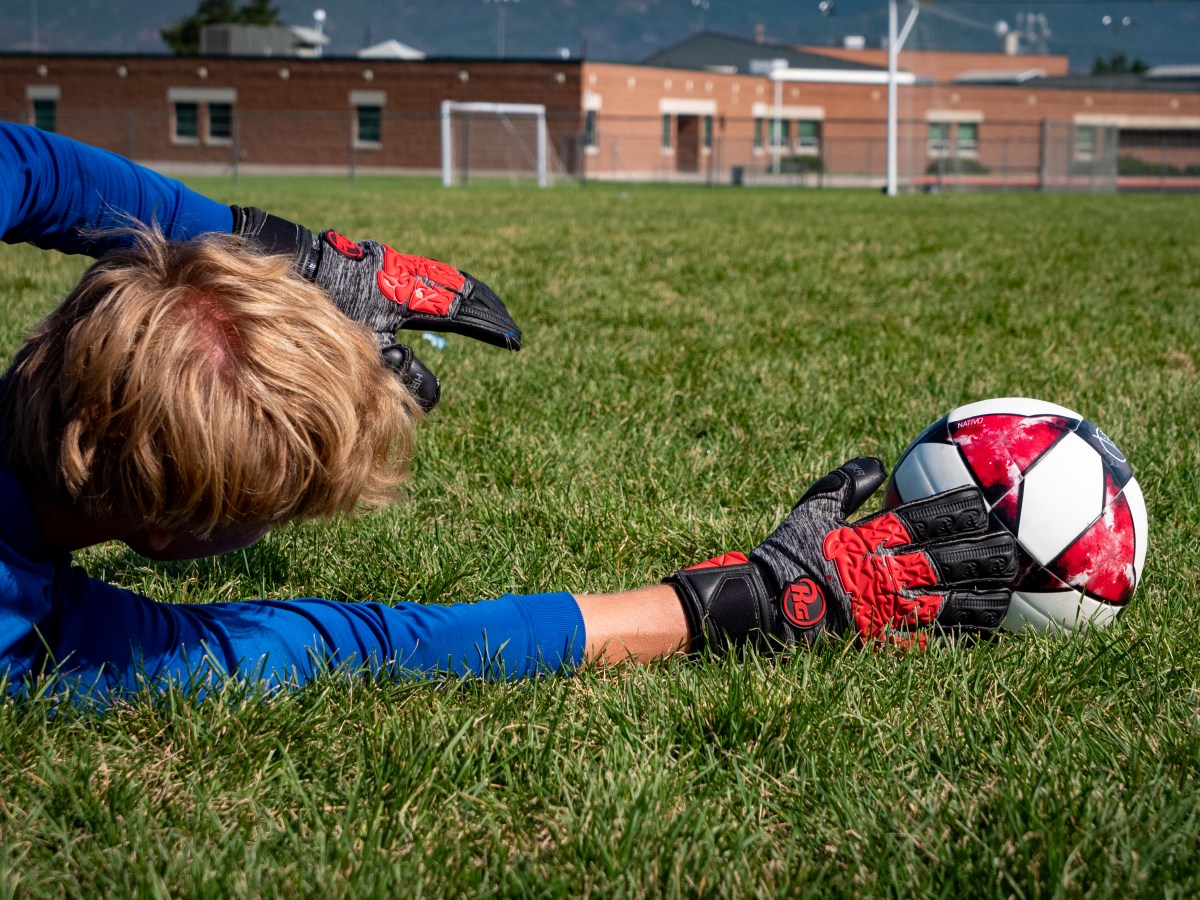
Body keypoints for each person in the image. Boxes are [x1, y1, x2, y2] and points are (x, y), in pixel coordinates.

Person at [0, 123, 1017, 703]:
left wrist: (282, 254)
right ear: (173, 531)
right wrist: (740, 604)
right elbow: (348, 643)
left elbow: (30, 173)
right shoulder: (29, 640)